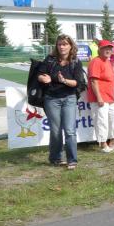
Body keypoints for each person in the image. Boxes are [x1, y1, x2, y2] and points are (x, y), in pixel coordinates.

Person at [36, 35, 86, 170]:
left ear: (70, 46)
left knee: (70, 131)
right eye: (59, 44)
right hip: (51, 99)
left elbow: (78, 83)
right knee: (56, 131)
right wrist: (43, 78)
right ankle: (55, 158)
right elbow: (39, 74)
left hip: (69, 98)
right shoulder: (50, 59)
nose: (62, 47)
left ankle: (72, 160)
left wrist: (64, 81)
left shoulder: (75, 61)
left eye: (65, 44)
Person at [88, 40, 114, 153]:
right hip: (100, 98)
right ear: (99, 49)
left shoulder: (108, 61)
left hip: (110, 96)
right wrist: (99, 97)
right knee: (101, 121)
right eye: (105, 48)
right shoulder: (96, 61)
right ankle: (103, 145)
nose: (108, 50)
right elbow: (93, 81)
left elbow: (107, 78)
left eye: (110, 48)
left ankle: (113, 142)